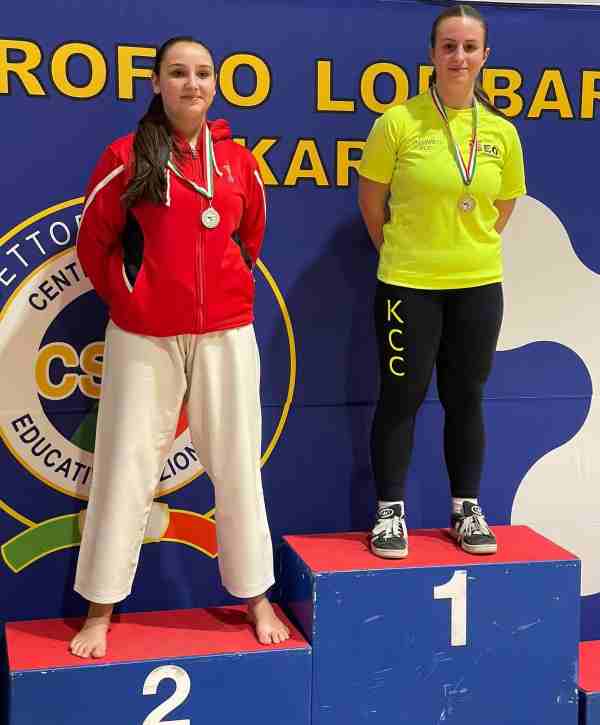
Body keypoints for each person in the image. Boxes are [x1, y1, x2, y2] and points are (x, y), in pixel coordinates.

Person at [69, 36, 290, 658]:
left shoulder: (239, 162)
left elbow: (251, 237)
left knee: (238, 465)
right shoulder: (125, 156)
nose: (192, 84)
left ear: (215, 84)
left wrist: (228, 292)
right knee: (125, 466)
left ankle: (256, 595)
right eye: (178, 73)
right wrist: (132, 300)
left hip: (226, 331)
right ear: (157, 83)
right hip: (144, 337)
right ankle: (100, 608)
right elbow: (94, 243)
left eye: (202, 73)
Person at [358, 5, 526, 559]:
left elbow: (503, 205)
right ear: (431, 54)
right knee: (401, 398)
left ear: (485, 56)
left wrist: (465, 247)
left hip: (477, 285)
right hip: (408, 285)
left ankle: (466, 509)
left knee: (466, 398)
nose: (459, 57)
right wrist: (407, 254)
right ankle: (389, 512)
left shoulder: (502, 132)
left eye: (469, 47)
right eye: (449, 46)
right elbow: (372, 204)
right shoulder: (397, 123)